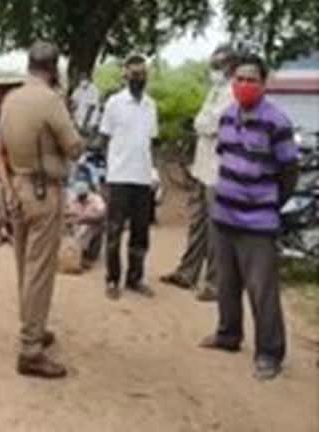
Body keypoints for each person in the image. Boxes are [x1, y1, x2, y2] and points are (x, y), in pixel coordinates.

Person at [199, 54, 299, 381]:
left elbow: (289, 173)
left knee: (262, 290)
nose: (244, 85)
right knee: (227, 284)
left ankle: (270, 352)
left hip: (257, 223)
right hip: (223, 216)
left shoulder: (277, 122)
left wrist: (267, 202)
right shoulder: (227, 117)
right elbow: (223, 158)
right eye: (239, 79)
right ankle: (228, 335)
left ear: (264, 84)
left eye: (251, 79)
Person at [0, 40, 82, 378]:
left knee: (24, 266)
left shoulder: (11, 99)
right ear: (54, 67)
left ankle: (34, 326)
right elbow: (73, 148)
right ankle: (31, 347)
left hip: (16, 188)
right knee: (40, 270)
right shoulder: (51, 101)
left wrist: (7, 189)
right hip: (44, 192)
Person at [161, 44, 237, 301]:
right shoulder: (215, 92)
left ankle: (215, 284)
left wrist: (203, 123)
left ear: (230, 67)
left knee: (216, 229)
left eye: (219, 65)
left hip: (218, 171)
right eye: (214, 65)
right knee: (197, 223)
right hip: (202, 168)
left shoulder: (232, 94)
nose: (215, 70)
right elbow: (201, 122)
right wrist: (202, 123)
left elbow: (211, 123)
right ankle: (187, 272)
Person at [99, 54, 158, 300]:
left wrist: (153, 171)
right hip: (120, 176)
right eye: (134, 74)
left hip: (142, 178)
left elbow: (150, 143)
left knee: (140, 233)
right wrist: (108, 170)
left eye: (142, 74)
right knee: (114, 231)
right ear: (125, 75)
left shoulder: (150, 105)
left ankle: (135, 278)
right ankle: (112, 279)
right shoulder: (114, 103)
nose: (138, 78)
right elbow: (104, 138)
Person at [61, 180, 106, 274]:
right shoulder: (72, 198)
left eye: (82, 196)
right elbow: (65, 212)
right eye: (79, 196)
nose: (80, 198)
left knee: (90, 228)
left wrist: (85, 218)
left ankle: (86, 255)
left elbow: (103, 214)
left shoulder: (96, 199)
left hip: (91, 225)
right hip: (74, 225)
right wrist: (71, 216)